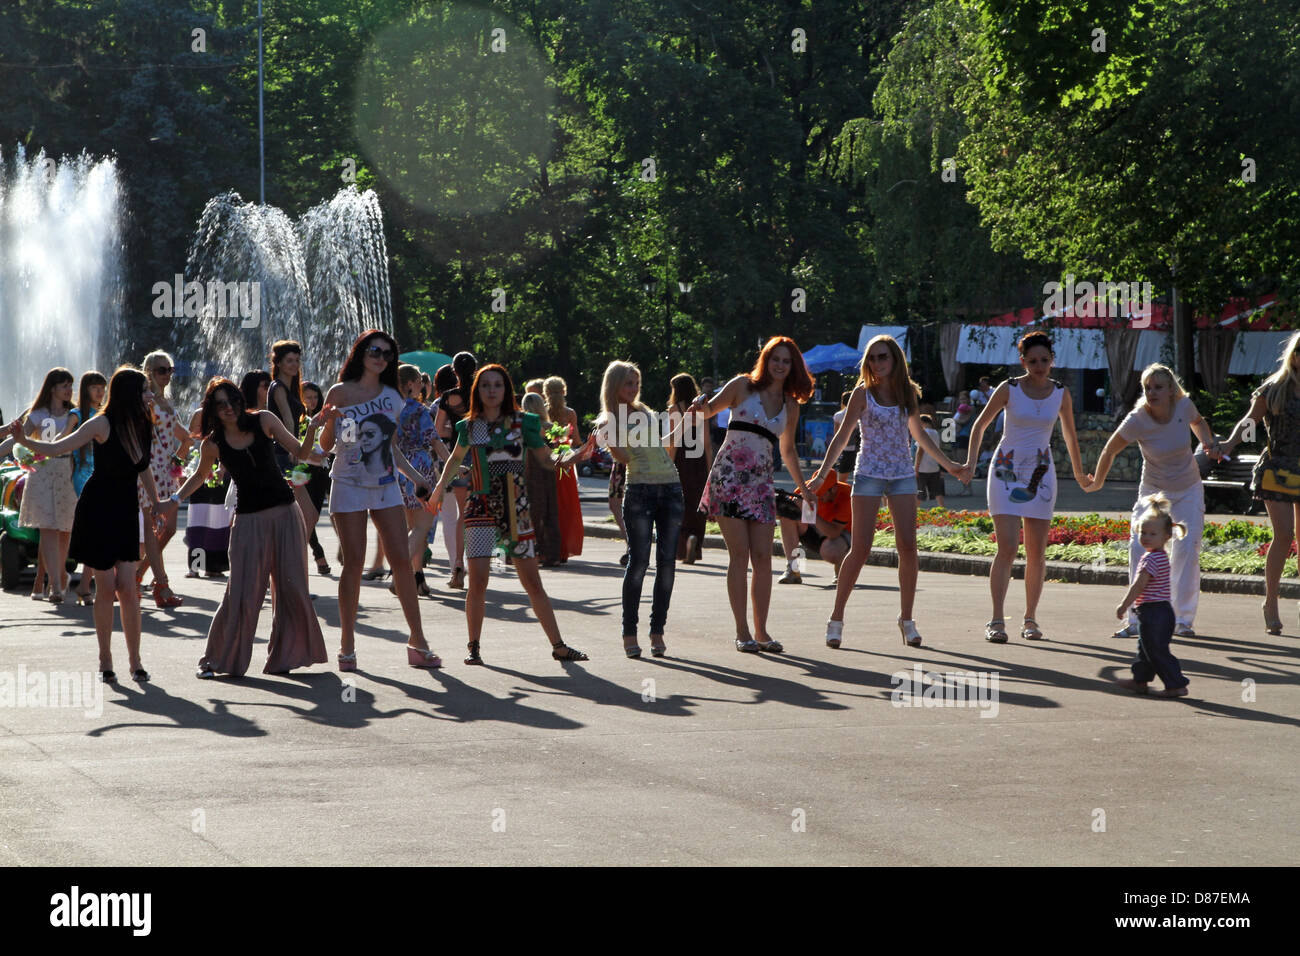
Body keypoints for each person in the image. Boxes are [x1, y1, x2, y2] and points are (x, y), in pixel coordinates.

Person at [7, 366, 168, 682]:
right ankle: (105, 657)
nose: (151, 395)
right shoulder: (101, 423)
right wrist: (24, 440)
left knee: (129, 588)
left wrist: (156, 504)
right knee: (107, 586)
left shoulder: (143, 423)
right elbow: (57, 448)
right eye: (145, 390)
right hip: (98, 507)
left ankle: (135, 661)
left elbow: (144, 468)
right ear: (130, 395)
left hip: (124, 507)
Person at [430, 364, 596, 664]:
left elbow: (547, 460)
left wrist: (574, 456)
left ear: (506, 390)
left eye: (498, 385)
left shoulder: (524, 423)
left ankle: (559, 646)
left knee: (532, 582)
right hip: (479, 509)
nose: (492, 390)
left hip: (515, 509)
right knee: (478, 581)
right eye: (485, 385)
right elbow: (455, 459)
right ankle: (474, 648)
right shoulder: (469, 427)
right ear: (477, 391)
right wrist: (438, 489)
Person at [810, 337, 969, 648]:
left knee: (908, 545)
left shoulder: (906, 393)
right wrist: (824, 472)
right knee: (860, 548)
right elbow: (842, 438)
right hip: (868, 473)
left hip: (901, 475)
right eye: (872, 358)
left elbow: (919, 434)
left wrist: (949, 465)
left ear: (895, 359)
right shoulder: (862, 394)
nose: (877, 363)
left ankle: (907, 620)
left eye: (883, 357)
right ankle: (836, 618)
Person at [171, 379, 332, 678]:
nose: (228, 408)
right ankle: (218, 660)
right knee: (242, 592)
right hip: (248, 521)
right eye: (220, 404)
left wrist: (311, 430)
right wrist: (173, 498)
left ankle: (285, 658)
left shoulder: (264, 420)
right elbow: (199, 476)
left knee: (292, 588)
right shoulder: (212, 444)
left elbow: (299, 450)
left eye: (231, 400)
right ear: (213, 410)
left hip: (285, 514)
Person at [320, 330, 443, 671]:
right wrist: (330, 421)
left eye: (387, 354)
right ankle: (347, 644)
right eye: (375, 350)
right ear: (361, 352)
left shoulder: (392, 395)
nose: (380, 357)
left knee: (402, 561)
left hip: (386, 482)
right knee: (355, 564)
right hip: (348, 482)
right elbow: (329, 444)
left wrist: (416, 477)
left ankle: (417, 641)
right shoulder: (340, 392)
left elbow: (390, 447)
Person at [690, 336, 816, 653]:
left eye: (786, 361)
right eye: (776, 359)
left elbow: (787, 451)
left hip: (760, 484)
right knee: (740, 556)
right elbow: (709, 411)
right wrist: (700, 404)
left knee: (763, 559)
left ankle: (762, 632)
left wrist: (805, 488)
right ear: (766, 359)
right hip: (729, 477)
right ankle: (742, 632)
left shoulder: (791, 406)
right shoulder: (743, 385)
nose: (780, 365)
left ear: (793, 367)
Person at [963, 331, 1087, 643]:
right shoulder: (1010, 389)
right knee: (1007, 547)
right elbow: (980, 425)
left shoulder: (1061, 393)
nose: (1039, 365)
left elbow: (1071, 436)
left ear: (1052, 360)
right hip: (1005, 469)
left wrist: (1081, 474)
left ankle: (1030, 618)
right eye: (1032, 361)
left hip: (1041, 474)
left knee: (1036, 552)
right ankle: (996, 620)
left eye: (1045, 360)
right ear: (1023, 361)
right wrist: (968, 464)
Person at [1083, 364, 1215, 639]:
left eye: (1158, 387)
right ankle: (1136, 621)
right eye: (1147, 387)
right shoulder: (1137, 419)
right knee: (1138, 547)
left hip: (1188, 488)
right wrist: (1098, 481)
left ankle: (1182, 621)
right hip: (1154, 491)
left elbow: (1198, 422)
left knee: (1186, 550)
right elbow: (1110, 449)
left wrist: (1208, 443)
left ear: (1170, 390)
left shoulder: (1183, 405)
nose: (1152, 392)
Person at [597, 361, 684, 658]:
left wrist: (683, 425)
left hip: (671, 486)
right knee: (638, 563)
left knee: (668, 563)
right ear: (614, 386)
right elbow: (622, 457)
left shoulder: (645, 411)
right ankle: (629, 631)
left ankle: (657, 630)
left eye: (636, 383)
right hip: (640, 491)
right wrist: (608, 435)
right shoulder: (609, 419)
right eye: (627, 383)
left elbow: (659, 446)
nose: (634, 389)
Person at [1221, 330, 1300, 633]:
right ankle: (1271, 601)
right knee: (1283, 535)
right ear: (1294, 355)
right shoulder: (1275, 388)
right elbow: (1249, 421)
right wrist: (1228, 445)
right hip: (1277, 468)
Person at [1113, 494, 1191, 698]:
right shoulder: (1160, 556)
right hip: (1162, 610)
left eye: (1152, 534)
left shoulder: (1150, 560)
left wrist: (1124, 605)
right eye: (1143, 532)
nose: (1146, 537)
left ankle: (1175, 684)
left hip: (1153, 611)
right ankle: (1140, 681)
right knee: (1146, 648)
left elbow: (1139, 585)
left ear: (1166, 536)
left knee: (1156, 651)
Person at [134, 351, 191, 607]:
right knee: (151, 527)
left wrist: (178, 460)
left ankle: (138, 575)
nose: (167, 374)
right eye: (161, 370)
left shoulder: (166, 402)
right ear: (148, 371)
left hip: (166, 471)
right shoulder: (146, 401)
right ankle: (161, 586)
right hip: (149, 470)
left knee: (168, 529)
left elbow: (184, 435)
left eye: (170, 370)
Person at [17, 367, 78, 602]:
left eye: (71, 386)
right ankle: (54, 584)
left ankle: (58, 574)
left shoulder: (74, 413)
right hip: (42, 473)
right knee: (47, 527)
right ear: (52, 388)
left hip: (67, 471)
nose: (69, 390)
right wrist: (23, 453)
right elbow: (19, 440)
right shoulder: (38, 414)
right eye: (64, 385)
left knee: (64, 530)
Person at [394, 363, 450, 597]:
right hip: (419, 465)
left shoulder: (391, 407)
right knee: (422, 526)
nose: (422, 386)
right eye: (418, 382)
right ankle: (399, 574)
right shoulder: (418, 409)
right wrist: (453, 465)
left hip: (397, 466)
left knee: (412, 527)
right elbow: (435, 440)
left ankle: (418, 578)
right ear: (409, 384)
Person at [267, 340, 325, 551]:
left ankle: (291, 555)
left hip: (291, 454)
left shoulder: (291, 389)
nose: (294, 364)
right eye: (289, 360)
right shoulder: (278, 387)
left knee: (308, 514)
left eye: (297, 360)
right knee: (304, 513)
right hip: (284, 455)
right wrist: (295, 448)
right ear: (279, 363)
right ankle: (288, 555)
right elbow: (287, 420)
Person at [69, 370, 108, 604]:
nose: (100, 391)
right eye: (95, 387)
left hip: (102, 473)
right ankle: (90, 585)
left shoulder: (105, 413)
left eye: (102, 387)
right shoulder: (77, 414)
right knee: (98, 529)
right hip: (84, 474)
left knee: (98, 531)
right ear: (85, 390)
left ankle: (85, 585)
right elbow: (60, 440)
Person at [776, 467, 852, 585]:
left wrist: (810, 513)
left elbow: (834, 532)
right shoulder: (808, 489)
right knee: (788, 516)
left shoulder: (847, 495)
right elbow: (780, 514)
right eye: (816, 493)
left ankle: (842, 567)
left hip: (842, 536)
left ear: (834, 489)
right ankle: (792, 569)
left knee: (831, 552)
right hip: (817, 531)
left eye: (822, 493)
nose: (818, 497)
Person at [432, 362, 471, 588]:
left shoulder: (447, 397)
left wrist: (454, 430)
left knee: (461, 514)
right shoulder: (479, 393)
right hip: (481, 455)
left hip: (458, 454)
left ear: (455, 371)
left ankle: (458, 566)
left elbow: (438, 431)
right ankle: (481, 563)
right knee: (479, 513)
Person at [667, 372, 713, 564]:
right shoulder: (702, 409)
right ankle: (695, 540)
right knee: (698, 502)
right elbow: (707, 443)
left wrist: (669, 465)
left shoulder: (674, 409)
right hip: (699, 460)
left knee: (680, 504)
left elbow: (674, 441)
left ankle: (685, 544)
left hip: (682, 460)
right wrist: (710, 467)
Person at [544, 376, 585, 562]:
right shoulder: (570, 414)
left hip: (546, 461)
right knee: (566, 506)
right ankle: (564, 549)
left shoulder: (542, 413)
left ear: (545, 392)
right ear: (564, 391)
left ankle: (548, 548)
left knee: (548, 505)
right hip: (566, 463)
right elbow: (576, 441)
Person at [520, 392, 563, 566]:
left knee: (532, 512)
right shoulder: (552, 428)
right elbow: (561, 452)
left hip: (529, 471)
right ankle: (552, 553)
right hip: (549, 472)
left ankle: (533, 550)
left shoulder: (524, 427)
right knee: (550, 511)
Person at [300, 382, 333, 575]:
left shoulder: (322, 417)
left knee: (314, 515)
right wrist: (313, 455)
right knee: (307, 516)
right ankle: (318, 555)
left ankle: (321, 554)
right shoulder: (298, 418)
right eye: (307, 397)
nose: (312, 401)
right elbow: (295, 447)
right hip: (303, 470)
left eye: (314, 397)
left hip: (321, 471)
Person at [915, 413, 947, 509]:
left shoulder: (923, 432)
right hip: (934, 466)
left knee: (920, 490)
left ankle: (915, 511)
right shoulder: (935, 433)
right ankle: (943, 509)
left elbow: (920, 451)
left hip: (923, 467)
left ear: (921, 422)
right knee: (937, 491)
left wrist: (916, 467)